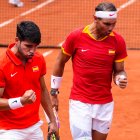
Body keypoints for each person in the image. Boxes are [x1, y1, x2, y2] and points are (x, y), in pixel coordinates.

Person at [50, 2, 128, 140]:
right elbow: (59, 62)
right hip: (80, 102)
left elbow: (119, 70)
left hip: (104, 104)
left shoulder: (118, 41)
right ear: (95, 18)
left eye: (113, 24)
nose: (111, 28)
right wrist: (54, 92)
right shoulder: (76, 36)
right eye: (107, 24)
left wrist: (120, 78)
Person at [0, 21, 58, 140]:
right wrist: (20, 101)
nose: (32, 50)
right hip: (9, 131)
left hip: (34, 127)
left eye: (36, 46)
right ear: (17, 40)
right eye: (28, 46)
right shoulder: (2, 65)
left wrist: (52, 121)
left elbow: (42, 90)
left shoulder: (38, 59)